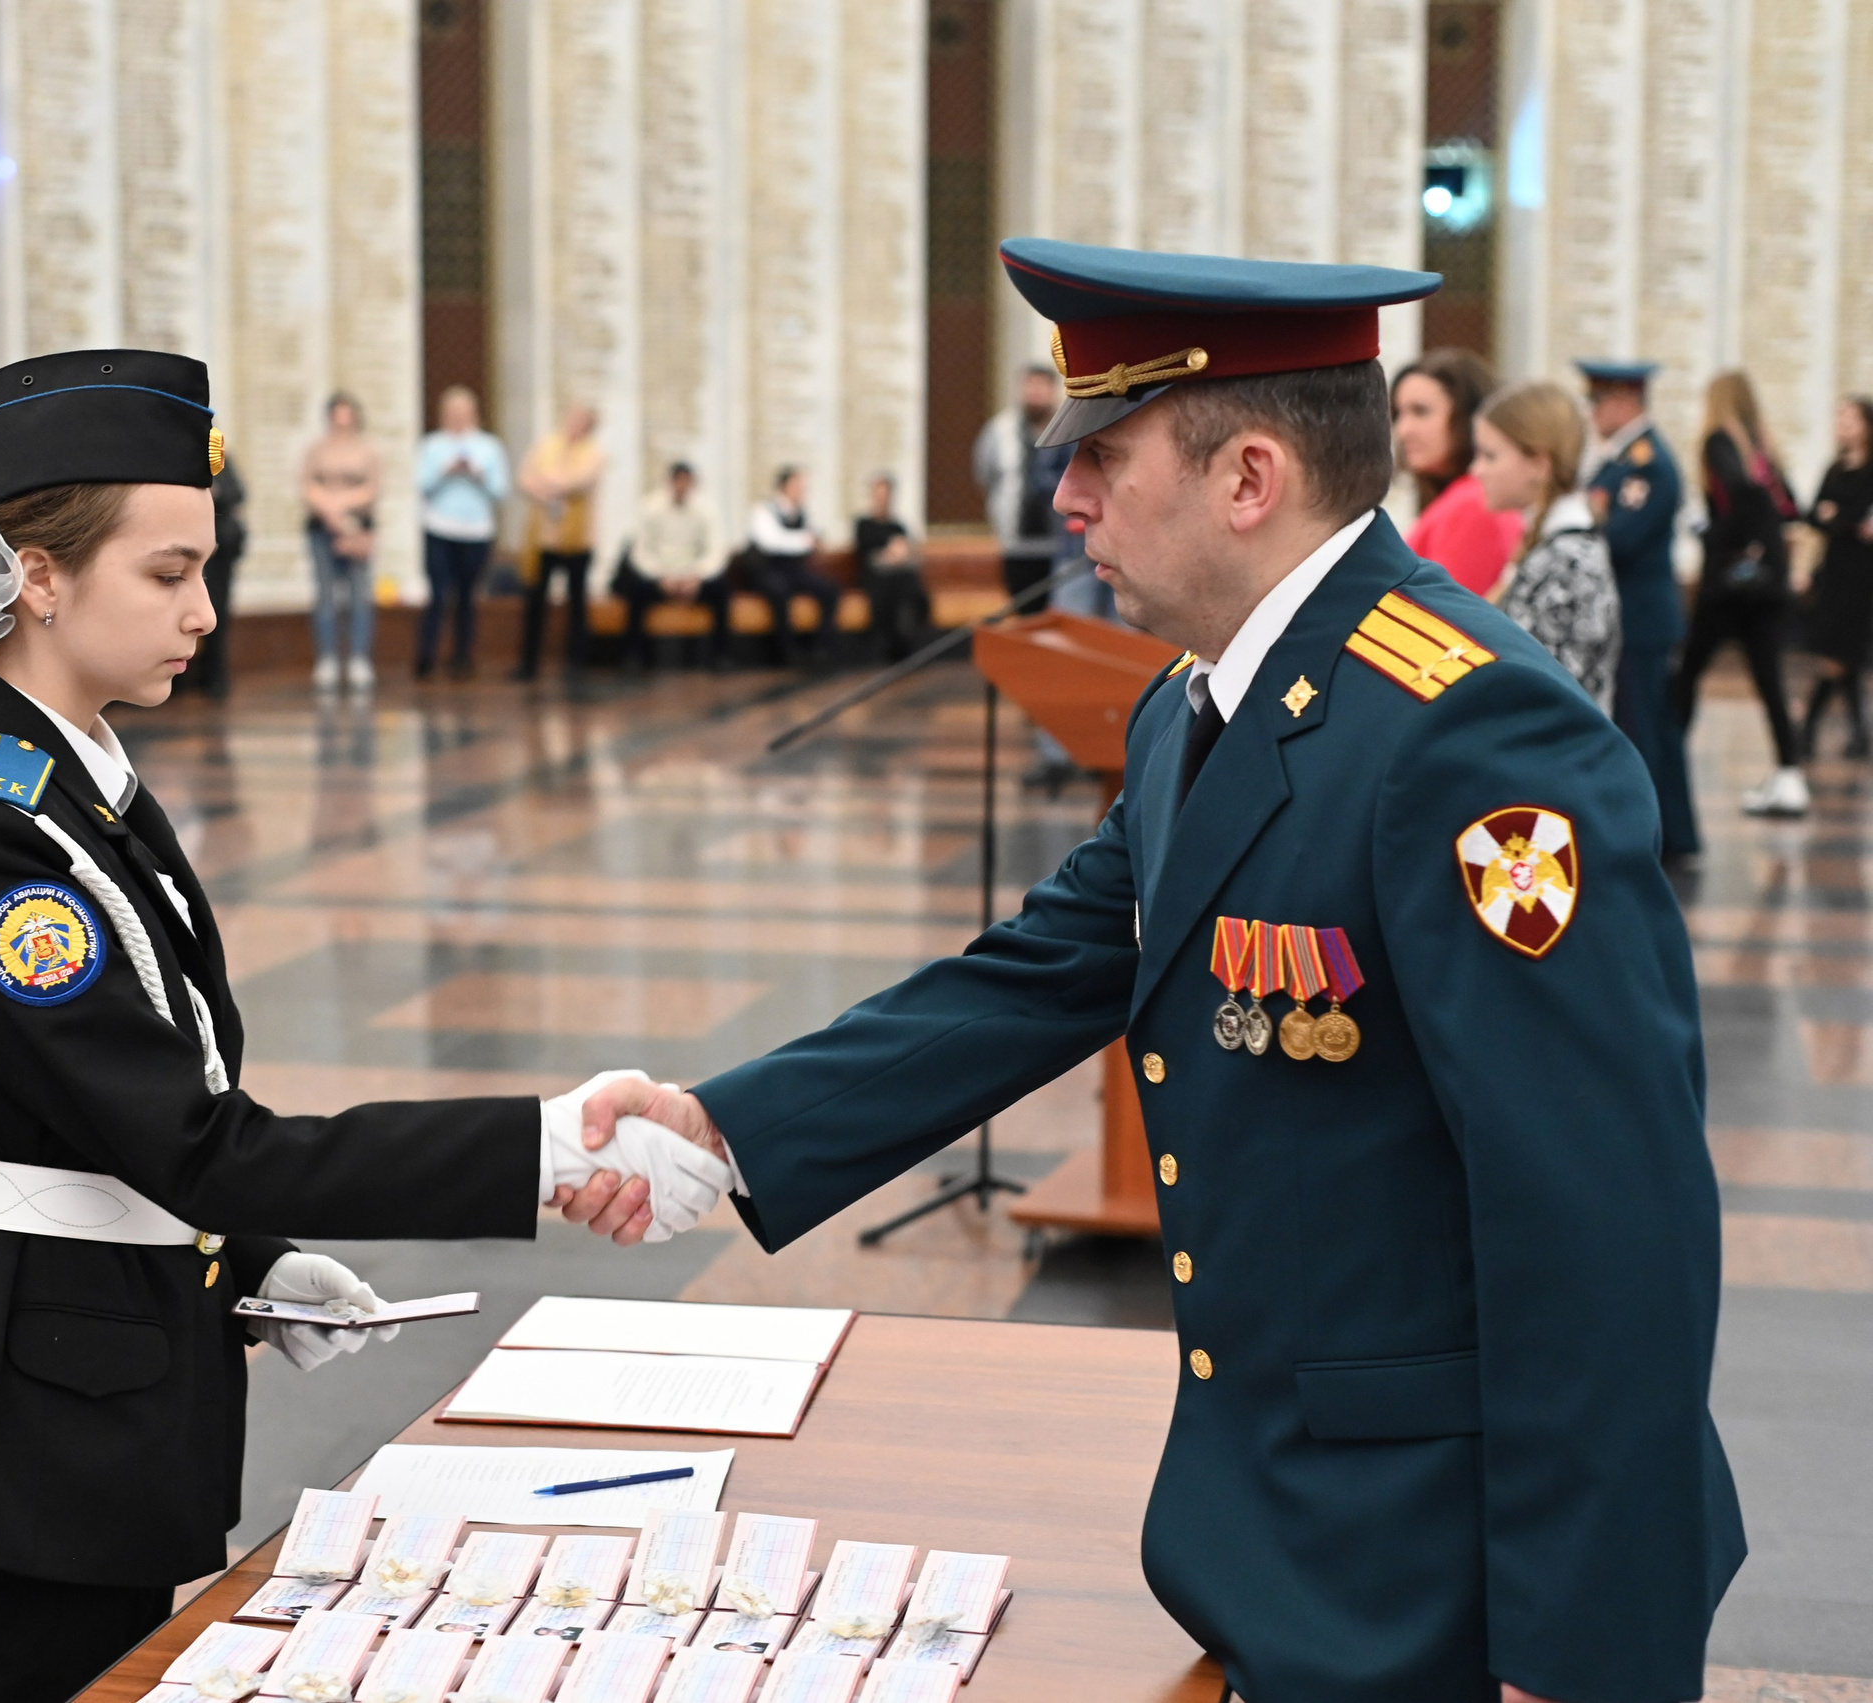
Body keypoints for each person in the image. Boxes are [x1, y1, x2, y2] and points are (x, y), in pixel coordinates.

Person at [560, 238, 1744, 1703]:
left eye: (1103, 455)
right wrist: (725, 1126)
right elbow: (1038, 971)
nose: (1065, 495)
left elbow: (1606, 1223)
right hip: (1278, 1541)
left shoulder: (1471, 737)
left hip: (1447, 1577)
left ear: (1249, 479)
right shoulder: (1201, 700)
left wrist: (1581, 1660)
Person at [0, 348, 730, 1703]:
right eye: (169, 571)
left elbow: (111, 1111)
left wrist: (254, 1255)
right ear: (42, 577)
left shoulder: (74, 781)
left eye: (207, 565)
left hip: (82, 1394)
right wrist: (542, 1145)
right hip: (0, 1444)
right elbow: (193, 1136)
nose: (205, 605)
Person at [1577, 359, 1697, 861]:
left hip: (1640, 621)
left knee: (1644, 729)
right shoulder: (1621, 458)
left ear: (1625, 402)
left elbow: (1622, 539)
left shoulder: (1646, 461)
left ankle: (1651, 839)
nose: (1593, 413)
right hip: (1634, 618)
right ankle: (1671, 836)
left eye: (1598, 401)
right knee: (1650, 728)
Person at [1672, 370, 1807, 818]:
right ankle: (1790, 776)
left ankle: (1665, 762)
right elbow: (1791, 504)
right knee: (1769, 680)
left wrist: (1716, 536)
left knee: (1688, 671)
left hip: (1728, 588)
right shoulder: (1763, 444)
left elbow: (1740, 494)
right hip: (1769, 584)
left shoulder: (1719, 441)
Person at [1471, 383, 1619, 711]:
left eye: (1490, 455)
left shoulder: (1566, 561)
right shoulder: (1553, 545)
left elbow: (1534, 691)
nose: (1477, 470)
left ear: (1539, 463)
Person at [1394, 347, 1524, 595]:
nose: (1403, 429)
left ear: (1467, 418)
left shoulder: (1473, 503)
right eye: (1398, 414)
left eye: (1420, 411)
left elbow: (1446, 620)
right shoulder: (1464, 497)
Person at [413, 386, 508, 681]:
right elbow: (422, 485)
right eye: (451, 413)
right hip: (440, 528)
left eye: (463, 413)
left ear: (474, 415)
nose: (457, 418)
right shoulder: (432, 446)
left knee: (467, 596)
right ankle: (426, 655)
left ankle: (463, 655)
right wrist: (446, 471)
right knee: (438, 594)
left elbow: (500, 490)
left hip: (475, 531)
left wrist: (477, 474)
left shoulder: (489, 447)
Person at [1798, 396, 1873, 757]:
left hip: (1863, 573)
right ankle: (1857, 733)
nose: (1842, 424)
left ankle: (1809, 729)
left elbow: (1856, 519)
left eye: (1850, 418)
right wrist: (1843, 519)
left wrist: (1838, 515)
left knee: (1842, 655)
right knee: (1842, 656)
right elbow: (1815, 513)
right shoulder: (1836, 468)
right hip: (1836, 569)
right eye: (1839, 417)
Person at [513, 403, 605, 680]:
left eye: (581, 420)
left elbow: (578, 481)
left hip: (578, 540)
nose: (574, 423)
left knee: (577, 602)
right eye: (572, 417)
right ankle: (529, 664)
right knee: (535, 601)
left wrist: (546, 482)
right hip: (544, 538)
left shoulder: (594, 453)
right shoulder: (546, 445)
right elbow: (523, 478)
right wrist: (546, 487)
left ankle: (576, 664)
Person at [614, 462, 730, 671]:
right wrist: (661, 578)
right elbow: (640, 551)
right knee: (637, 591)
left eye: (687, 483)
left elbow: (715, 550)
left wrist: (697, 577)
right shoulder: (650, 506)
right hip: (661, 576)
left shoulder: (706, 509)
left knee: (722, 590)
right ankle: (634, 655)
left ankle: (721, 655)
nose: (682, 487)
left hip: (693, 577)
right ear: (670, 482)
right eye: (678, 482)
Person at [300, 391, 381, 693]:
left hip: (358, 528)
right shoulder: (316, 450)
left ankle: (360, 657)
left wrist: (344, 507)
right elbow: (307, 485)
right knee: (325, 595)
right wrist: (330, 511)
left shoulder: (367, 451)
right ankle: (327, 658)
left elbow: (372, 487)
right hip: (323, 528)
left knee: (359, 595)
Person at [974, 365, 1062, 604]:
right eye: (1030, 386)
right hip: (1016, 544)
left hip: (1061, 545)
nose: (1035, 393)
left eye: (1041, 386)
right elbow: (986, 476)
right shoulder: (1000, 430)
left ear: (1053, 390)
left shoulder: (1069, 428)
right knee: (1024, 611)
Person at [744, 467, 839, 668]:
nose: (802, 491)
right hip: (768, 570)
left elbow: (813, 538)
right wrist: (805, 540)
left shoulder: (803, 514)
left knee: (830, 591)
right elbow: (771, 542)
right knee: (779, 592)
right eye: (797, 486)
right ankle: (788, 652)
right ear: (784, 487)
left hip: (794, 571)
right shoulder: (763, 511)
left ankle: (820, 649)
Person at [853, 471, 930, 662]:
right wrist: (889, 552)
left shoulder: (898, 526)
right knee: (889, 592)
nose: (883, 499)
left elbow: (909, 551)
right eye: (879, 494)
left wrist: (901, 553)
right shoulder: (864, 524)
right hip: (876, 578)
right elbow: (866, 552)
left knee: (910, 590)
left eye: (886, 494)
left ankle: (907, 647)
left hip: (899, 577)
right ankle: (890, 648)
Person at [189, 451, 247, 700]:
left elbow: (237, 492)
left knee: (216, 613)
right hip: (188, 546)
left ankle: (214, 676)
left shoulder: (218, 457)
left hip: (219, 552)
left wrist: (215, 492)